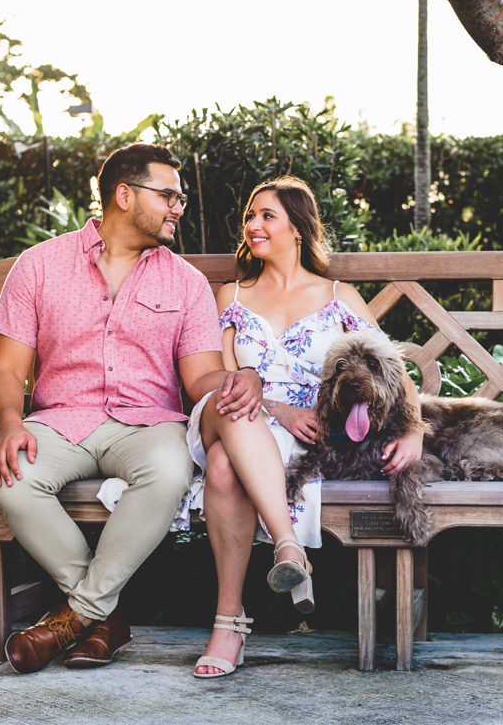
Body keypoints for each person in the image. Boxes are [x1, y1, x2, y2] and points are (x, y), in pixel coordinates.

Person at [0, 143, 264, 675]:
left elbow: (199, 377)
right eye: (168, 196)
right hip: (60, 420)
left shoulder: (185, 282)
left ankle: (76, 616)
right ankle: (101, 617)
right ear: (123, 194)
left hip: (147, 424)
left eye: (180, 197)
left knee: (167, 471)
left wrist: (239, 378)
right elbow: (5, 368)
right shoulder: (39, 266)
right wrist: (9, 423)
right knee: (14, 476)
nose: (178, 206)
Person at [181, 176, 426, 678]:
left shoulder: (338, 297)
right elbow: (220, 377)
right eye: (251, 215)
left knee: (227, 468)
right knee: (233, 423)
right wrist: (276, 407)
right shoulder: (231, 294)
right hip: (232, 413)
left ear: (298, 227)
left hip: (304, 436)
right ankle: (288, 544)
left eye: (267, 215)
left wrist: (414, 429)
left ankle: (228, 625)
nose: (253, 225)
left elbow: (391, 368)